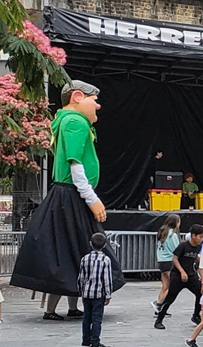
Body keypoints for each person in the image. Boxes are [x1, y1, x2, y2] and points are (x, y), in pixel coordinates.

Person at [11, 80, 124, 320]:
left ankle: (71, 307)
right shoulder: (75, 122)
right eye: (94, 100)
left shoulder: (67, 121)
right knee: (73, 250)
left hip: (67, 196)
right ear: (77, 97)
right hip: (71, 195)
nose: (99, 105)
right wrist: (92, 198)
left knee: (73, 252)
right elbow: (76, 164)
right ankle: (58, 309)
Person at [154, 225, 203, 330]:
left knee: (201, 293)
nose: (202, 239)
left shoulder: (198, 246)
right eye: (200, 236)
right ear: (193, 236)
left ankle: (196, 315)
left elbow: (194, 256)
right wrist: (182, 271)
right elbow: (175, 258)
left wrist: (202, 261)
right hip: (178, 275)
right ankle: (159, 320)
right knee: (170, 298)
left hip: (191, 275)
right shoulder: (183, 246)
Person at [77, 232, 114, 347]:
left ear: (90, 244)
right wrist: (108, 294)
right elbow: (107, 279)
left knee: (86, 316)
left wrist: (81, 290)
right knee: (97, 318)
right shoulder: (106, 260)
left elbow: (81, 277)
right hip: (99, 293)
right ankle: (95, 343)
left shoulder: (84, 259)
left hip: (86, 292)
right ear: (104, 245)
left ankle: (85, 341)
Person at [154, 214, 181, 314]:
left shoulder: (162, 233)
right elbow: (177, 249)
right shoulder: (172, 235)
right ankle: (159, 304)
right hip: (169, 261)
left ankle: (159, 307)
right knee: (170, 287)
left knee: (165, 286)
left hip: (161, 260)